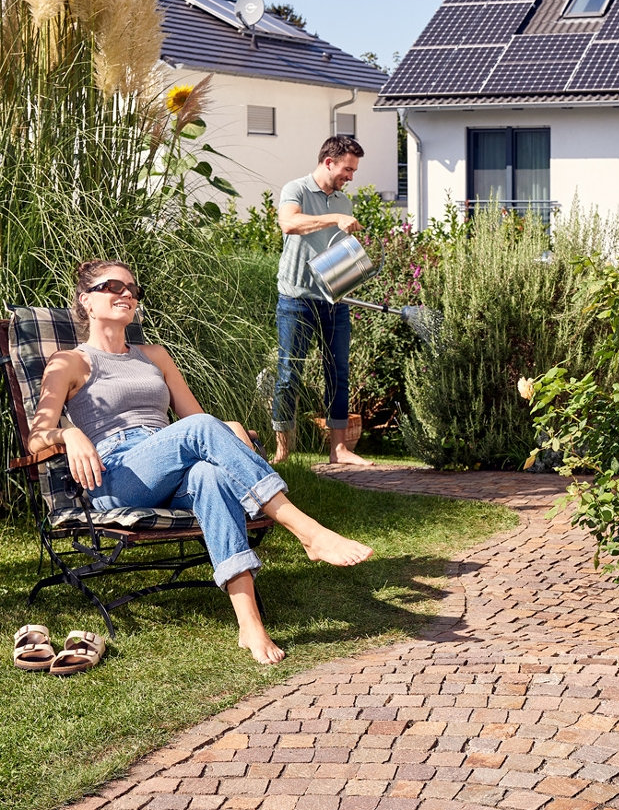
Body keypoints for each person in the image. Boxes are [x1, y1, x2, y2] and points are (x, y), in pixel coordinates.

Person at [28, 260, 374, 665]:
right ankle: (307, 531)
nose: (127, 294)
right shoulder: (69, 362)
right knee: (203, 429)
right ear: (86, 300)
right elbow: (36, 437)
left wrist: (231, 430)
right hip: (116, 475)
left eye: (133, 289)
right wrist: (68, 434)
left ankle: (250, 624)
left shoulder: (155, 356)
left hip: (168, 462)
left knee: (210, 475)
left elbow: (195, 420)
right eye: (113, 286)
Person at [272, 134, 372, 466]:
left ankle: (338, 450)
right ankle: (283, 452)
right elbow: (289, 223)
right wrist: (334, 219)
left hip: (334, 300)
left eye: (354, 170)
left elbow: (338, 254)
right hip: (296, 299)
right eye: (347, 169)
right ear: (329, 162)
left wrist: (356, 270)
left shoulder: (344, 202)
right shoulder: (296, 189)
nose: (351, 176)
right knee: (289, 374)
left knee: (338, 373)